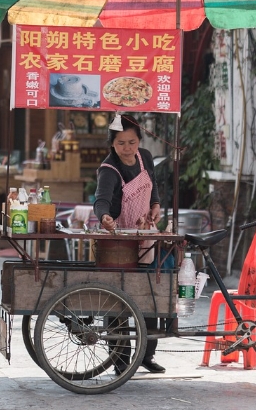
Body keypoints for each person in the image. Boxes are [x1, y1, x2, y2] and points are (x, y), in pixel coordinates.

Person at [93, 114, 164, 374]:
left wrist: (155, 204)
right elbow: (100, 200)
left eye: (132, 142)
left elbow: (152, 184)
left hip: (145, 235)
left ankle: (147, 354)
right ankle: (120, 359)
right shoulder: (108, 169)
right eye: (121, 143)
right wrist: (104, 217)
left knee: (149, 294)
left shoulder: (145, 156)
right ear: (112, 143)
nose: (127, 148)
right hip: (118, 241)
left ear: (139, 141)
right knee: (118, 300)